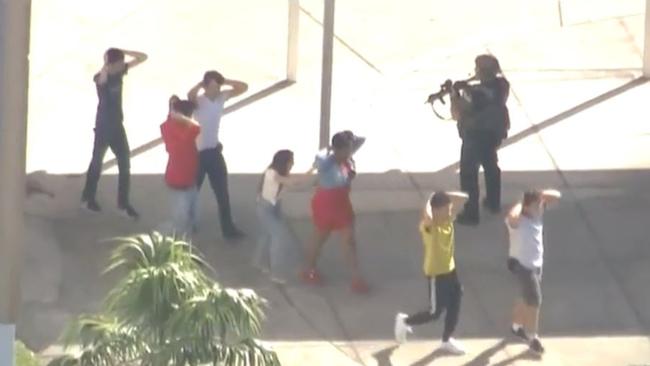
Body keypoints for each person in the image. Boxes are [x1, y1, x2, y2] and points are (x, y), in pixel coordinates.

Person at [394, 191, 469, 355]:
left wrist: (441, 194)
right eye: (446, 209)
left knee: (456, 302)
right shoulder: (429, 227)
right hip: (436, 274)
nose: (450, 212)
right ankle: (405, 321)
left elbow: (464, 198)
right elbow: (426, 214)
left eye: (450, 209)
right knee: (435, 312)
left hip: (451, 270)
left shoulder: (448, 220)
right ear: (435, 211)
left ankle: (446, 339)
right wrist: (430, 200)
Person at [81, 47, 148, 219]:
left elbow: (142, 57)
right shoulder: (101, 77)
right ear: (111, 64)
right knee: (96, 163)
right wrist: (106, 65)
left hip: (117, 126)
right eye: (119, 63)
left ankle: (123, 204)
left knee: (124, 162)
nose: (122, 65)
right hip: (103, 127)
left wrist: (122, 51)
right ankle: (88, 198)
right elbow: (101, 80)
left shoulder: (119, 72)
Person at [301, 131, 368, 293]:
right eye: (346, 150)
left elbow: (361, 141)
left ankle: (356, 279)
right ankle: (308, 270)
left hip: (341, 203)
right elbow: (319, 163)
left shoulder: (346, 158)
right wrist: (330, 150)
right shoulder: (326, 161)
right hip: (327, 204)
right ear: (338, 149)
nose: (350, 152)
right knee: (319, 238)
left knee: (349, 241)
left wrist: (348, 143)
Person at [187, 71, 248, 240]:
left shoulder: (222, 97)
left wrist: (225, 81)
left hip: (214, 152)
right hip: (198, 155)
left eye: (217, 86)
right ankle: (187, 225)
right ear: (206, 87)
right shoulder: (199, 101)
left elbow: (243, 87)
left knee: (222, 193)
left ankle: (228, 229)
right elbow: (189, 95)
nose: (216, 90)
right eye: (212, 86)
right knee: (192, 192)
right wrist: (200, 85)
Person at [450, 54, 510, 226]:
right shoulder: (502, 86)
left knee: (468, 174)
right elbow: (485, 91)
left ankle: (471, 213)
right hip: (494, 133)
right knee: (491, 166)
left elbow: (458, 113)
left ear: (482, 72)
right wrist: (467, 87)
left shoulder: (475, 95)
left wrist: (455, 95)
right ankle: (493, 203)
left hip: (475, 135)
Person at [505, 189, 561, 354]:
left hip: (536, 265)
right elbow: (511, 217)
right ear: (526, 207)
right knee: (535, 300)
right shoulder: (517, 221)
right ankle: (533, 338)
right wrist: (521, 202)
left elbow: (556, 196)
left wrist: (540, 195)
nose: (541, 207)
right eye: (537, 205)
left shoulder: (536, 212)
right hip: (523, 266)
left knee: (526, 297)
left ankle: (516, 327)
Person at [254, 150, 315, 284]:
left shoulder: (280, 173)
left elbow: (295, 182)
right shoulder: (272, 173)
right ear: (284, 162)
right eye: (291, 160)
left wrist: (312, 170)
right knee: (278, 237)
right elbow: (292, 183)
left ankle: (259, 262)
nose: (292, 163)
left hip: (274, 208)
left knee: (266, 235)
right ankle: (276, 273)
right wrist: (311, 170)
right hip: (265, 209)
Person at [160, 96, 201, 237]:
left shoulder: (167, 126)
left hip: (180, 177)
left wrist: (172, 110)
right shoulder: (188, 131)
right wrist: (181, 117)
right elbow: (196, 127)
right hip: (182, 179)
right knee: (182, 218)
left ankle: (185, 231)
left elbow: (168, 121)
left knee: (185, 213)